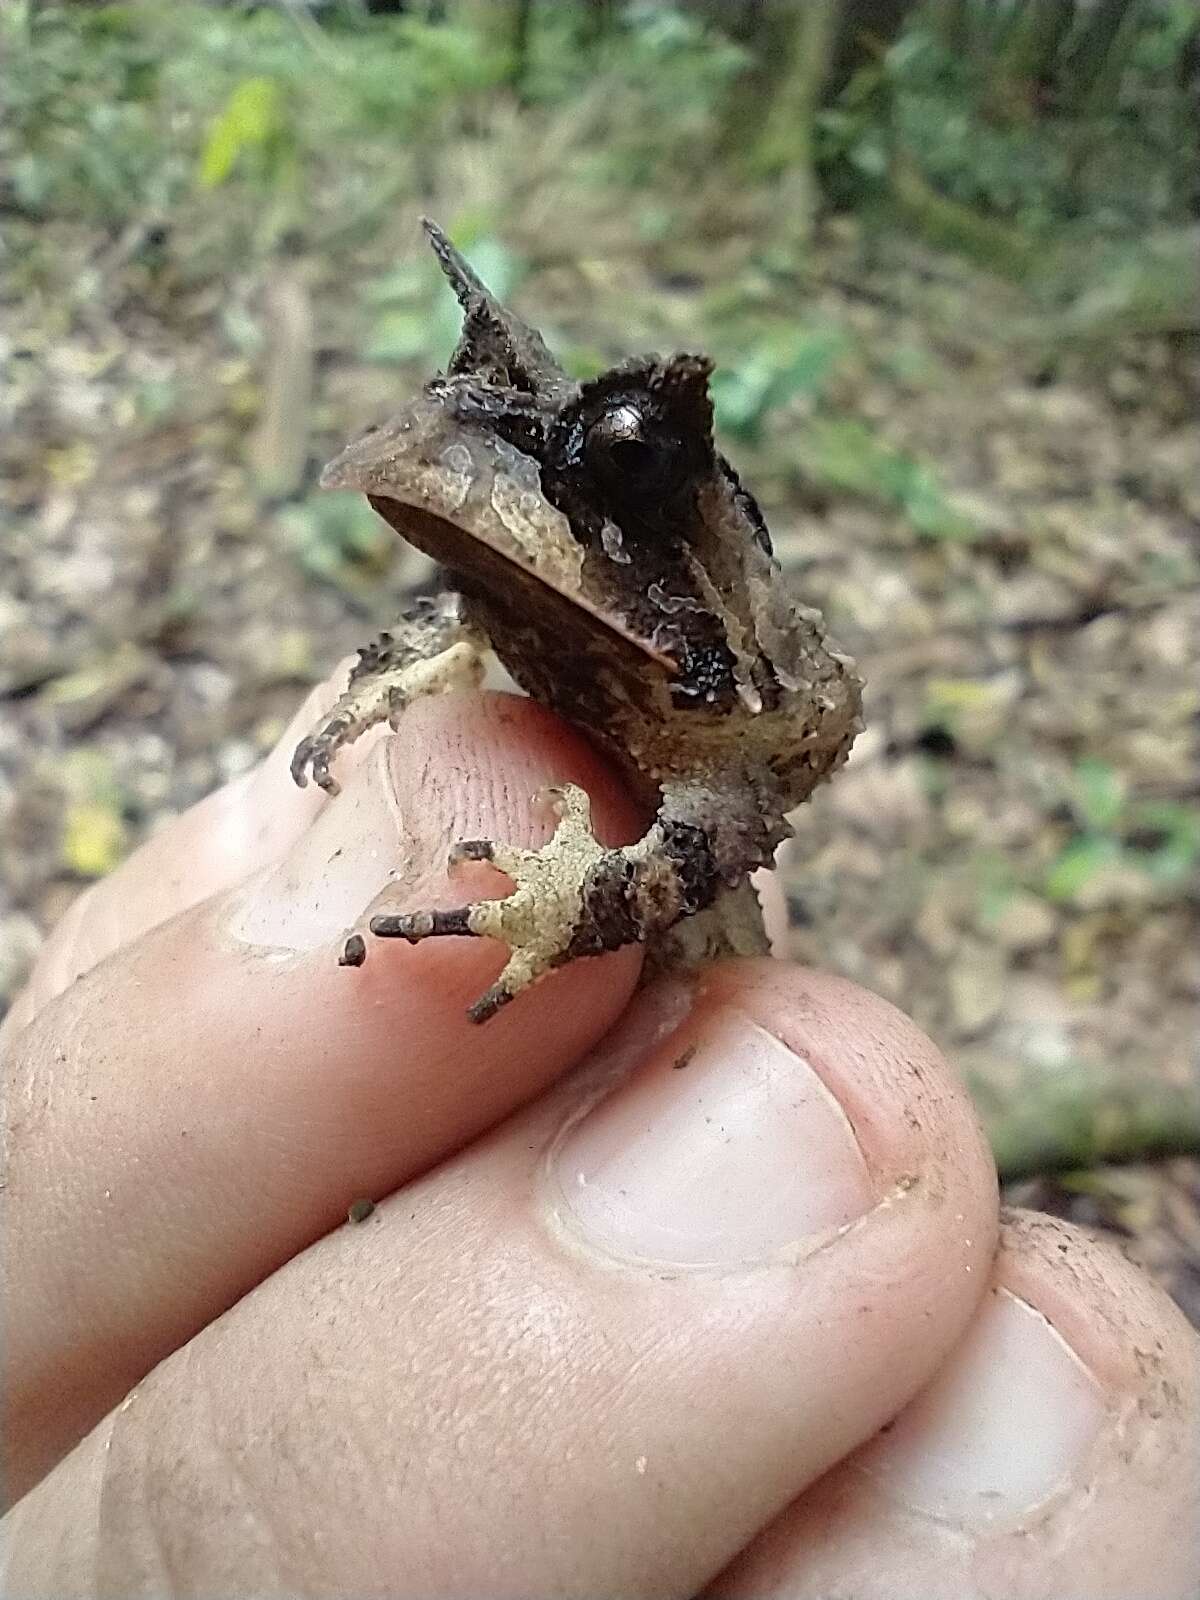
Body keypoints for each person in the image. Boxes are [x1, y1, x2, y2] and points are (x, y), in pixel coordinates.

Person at [2, 675, 1196, 1598]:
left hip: (669, 1024)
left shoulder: (705, 688)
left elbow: (722, 821)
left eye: (616, 453)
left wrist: (571, 897)